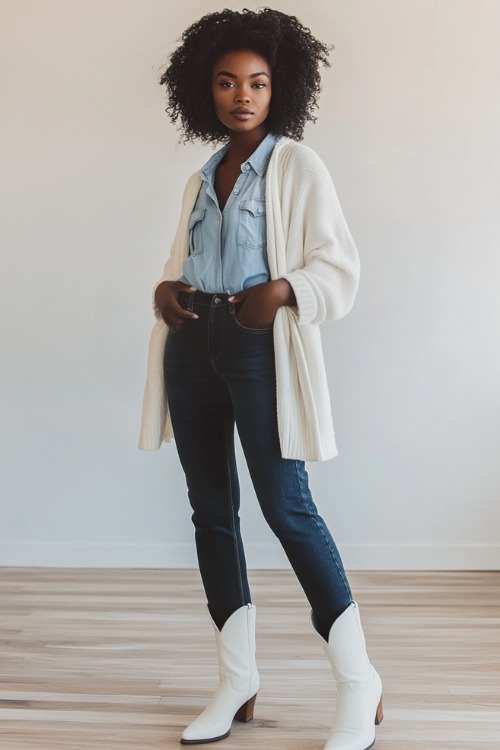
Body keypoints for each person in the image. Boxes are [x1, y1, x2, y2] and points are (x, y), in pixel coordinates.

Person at [139, 8, 382, 750]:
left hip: (257, 347)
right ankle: (236, 676)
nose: (240, 95)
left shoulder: (298, 166)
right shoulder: (202, 174)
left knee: (287, 508)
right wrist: (163, 290)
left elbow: (338, 268)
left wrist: (279, 292)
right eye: (225, 82)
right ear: (202, 90)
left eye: (256, 82)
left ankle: (358, 681)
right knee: (211, 511)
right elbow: (182, 262)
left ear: (280, 88)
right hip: (191, 346)